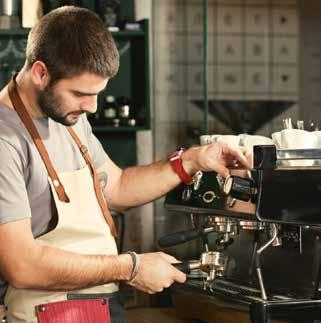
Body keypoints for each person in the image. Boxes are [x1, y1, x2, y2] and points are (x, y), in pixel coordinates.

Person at [0, 6, 250, 323]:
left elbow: (115, 187)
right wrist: (131, 267)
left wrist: (191, 161)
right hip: (43, 314)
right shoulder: (5, 139)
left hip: (96, 307)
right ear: (40, 73)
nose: (90, 107)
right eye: (80, 93)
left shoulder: (68, 117)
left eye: (97, 95)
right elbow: (22, 266)